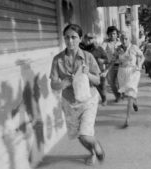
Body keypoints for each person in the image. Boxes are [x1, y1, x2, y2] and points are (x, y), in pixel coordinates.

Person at [49, 24, 105, 165]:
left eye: (74, 37)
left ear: (80, 38)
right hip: (70, 102)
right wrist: (63, 84)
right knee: (79, 136)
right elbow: (53, 84)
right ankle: (92, 152)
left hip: (88, 100)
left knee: (85, 134)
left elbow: (97, 80)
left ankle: (97, 147)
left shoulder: (88, 57)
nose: (70, 41)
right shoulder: (57, 60)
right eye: (67, 37)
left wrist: (88, 75)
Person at [101, 31, 145, 128]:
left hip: (133, 72)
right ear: (119, 39)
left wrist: (140, 64)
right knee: (128, 93)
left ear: (129, 39)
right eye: (122, 39)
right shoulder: (118, 49)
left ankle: (127, 119)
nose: (124, 41)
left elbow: (142, 56)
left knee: (129, 94)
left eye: (126, 39)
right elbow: (112, 61)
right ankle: (135, 100)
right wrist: (106, 71)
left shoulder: (134, 47)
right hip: (122, 73)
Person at [79, 33, 109, 106]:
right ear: (84, 39)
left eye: (91, 38)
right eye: (87, 38)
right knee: (90, 87)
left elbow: (107, 60)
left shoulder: (99, 49)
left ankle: (104, 98)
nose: (89, 40)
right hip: (86, 71)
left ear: (94, 39)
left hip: (99, 71)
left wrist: (102, 60)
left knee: (101, 86)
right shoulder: (81, 48)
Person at [101, 26, 121, 102]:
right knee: (111, 83)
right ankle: (117, 96)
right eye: (110, 34)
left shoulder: (120, 42)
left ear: (117, 34)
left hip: (121, 65)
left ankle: (121, 92)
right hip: (110, 66)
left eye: (114, 34)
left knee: (120, 82)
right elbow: (101, 50)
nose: (112, 36)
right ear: (108, 35)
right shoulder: (105, 43)